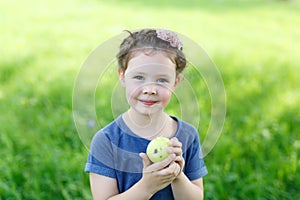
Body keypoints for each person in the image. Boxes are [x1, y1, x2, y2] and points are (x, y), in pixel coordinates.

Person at [85, 28, 208, 200]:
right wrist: (147, 186)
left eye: (162, 80)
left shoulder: (187, 136)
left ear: (175, 82)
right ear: (122, 76)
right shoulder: (107, 140)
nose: (150, 90)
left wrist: (177, 175)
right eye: (139, 77)